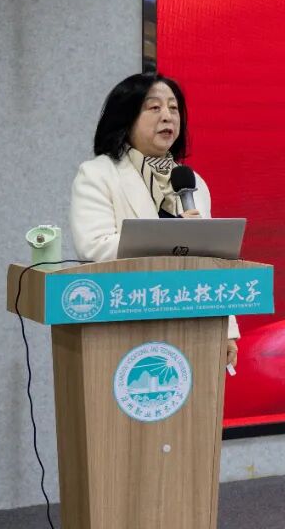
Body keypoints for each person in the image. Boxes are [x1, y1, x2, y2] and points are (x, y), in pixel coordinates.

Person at [70, 72, 239, 368]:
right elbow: (94, 247)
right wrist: (175, 237)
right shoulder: (98, 174)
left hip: (195, 329)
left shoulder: (192, 182)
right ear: (127, 117)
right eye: (154, 107)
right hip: (125, 324)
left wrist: (227, 330)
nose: (167, 116)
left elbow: (212, 264)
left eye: (173, 108)